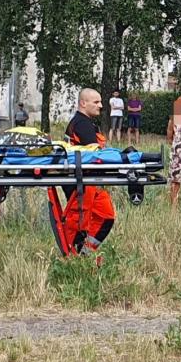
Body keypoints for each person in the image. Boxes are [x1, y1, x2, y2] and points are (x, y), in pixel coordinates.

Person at [62, 88, 116, 255]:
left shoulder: (82, 122)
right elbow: (95, 155)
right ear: (83, 103)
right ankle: (73, 259)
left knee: (105, 216)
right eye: (96, 102)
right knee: (79, 223)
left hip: (86, 181)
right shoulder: (82, 124)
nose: (100, 105)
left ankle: (84, 254)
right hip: (81, 183)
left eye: (100, 102)